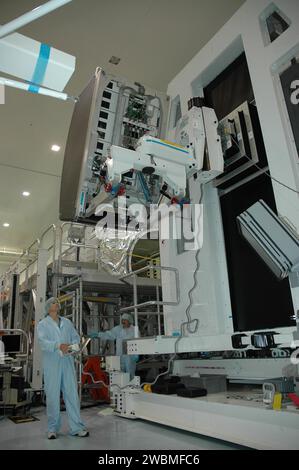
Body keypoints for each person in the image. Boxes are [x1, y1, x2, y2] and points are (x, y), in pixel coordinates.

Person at [37, 297, 89, 440]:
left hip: (67, 362)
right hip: (52, 364)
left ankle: (77, 427)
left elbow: (76, 337)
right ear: (48, 307)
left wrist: (72, 346)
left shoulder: (67, 322)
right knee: (53, 396)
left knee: (72, 394)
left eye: (57, 302)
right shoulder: (43, 324)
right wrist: (58, 345)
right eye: (53, 302)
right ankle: (52, 428)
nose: (56, 303)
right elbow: (42, 342)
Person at [89, 313, 139, 380]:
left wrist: (136, 354)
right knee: (120, 375)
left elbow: (138, 342)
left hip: (130, 356)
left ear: (130, 321)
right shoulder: (118, 329)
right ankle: (121, 389)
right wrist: (98, 334)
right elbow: (109, 334)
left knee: (130, 373)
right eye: (122, 320)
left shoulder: (135, 330)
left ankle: (131, 388)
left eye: (125, 320)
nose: (123, 322)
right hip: (120, 356)